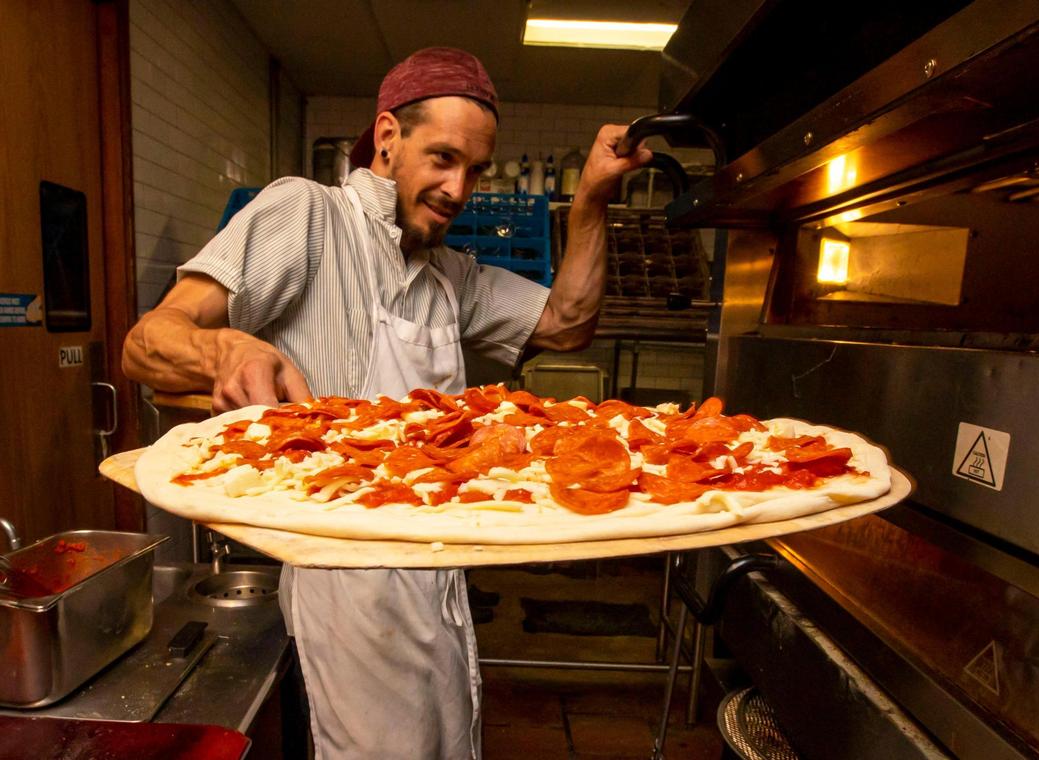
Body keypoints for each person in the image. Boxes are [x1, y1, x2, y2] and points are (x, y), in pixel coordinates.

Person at [122, 47, 651, 759]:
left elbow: (567, 321)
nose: (459, 188)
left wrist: (591, 198)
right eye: (442, 158)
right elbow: (148, 340)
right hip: (351, 585)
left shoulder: (450, 276)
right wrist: (227, 349)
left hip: (439, 570)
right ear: (387, 137)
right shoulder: (306, 215)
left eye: (475, 170)